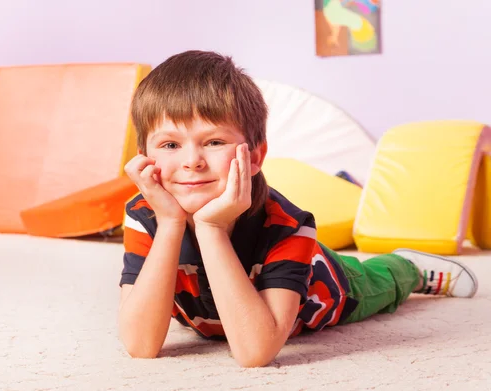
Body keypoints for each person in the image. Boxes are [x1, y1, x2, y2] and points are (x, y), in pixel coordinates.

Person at [117, 50, 479, 368]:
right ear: (144, 159)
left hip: (329, 285)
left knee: (376, 280)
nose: (192, 161)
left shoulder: (289, 224)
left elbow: (254, 352)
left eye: (213, 141)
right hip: (221, 299)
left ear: (256, 156)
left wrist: (210, 229)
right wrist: (169, 225)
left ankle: (408, 266)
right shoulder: (145, 214)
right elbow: (140, 345)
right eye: (169, 144)